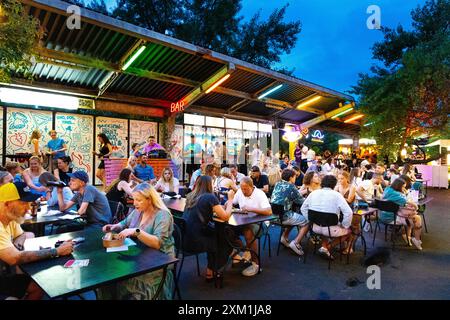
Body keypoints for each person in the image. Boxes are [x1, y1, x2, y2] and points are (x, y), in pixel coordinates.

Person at [99, 183, 175, 299]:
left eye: (138, 200)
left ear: (149, 199)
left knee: (119, 275)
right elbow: (124, 223)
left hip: (159, 261)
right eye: (133, 199)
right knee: (108, 276)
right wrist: (114, 227)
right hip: (140, 254)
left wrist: (136, 231)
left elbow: (157, 243)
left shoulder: (162, 215)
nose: (134, 203)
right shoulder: (138, 211)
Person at [0, 182, 73, 299]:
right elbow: (15, 258)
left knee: (37, 286)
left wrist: (17, 244)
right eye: (23, 203)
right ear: (7, 204)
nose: (28, 208)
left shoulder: (10, 217)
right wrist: (57, 251)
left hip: (4, 274)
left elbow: (22, 235)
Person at [183, 175, 235, 281]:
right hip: (198, 240)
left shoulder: (190, 196)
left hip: (184, 239)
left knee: (217, 235)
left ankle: (210, 270)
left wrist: (220, 208)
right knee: (224, 238)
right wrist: (230, 200)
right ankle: (213, 269)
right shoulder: (210, 197)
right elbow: (225, 216)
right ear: (209, 185)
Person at [301, 175, 353, 259]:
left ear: (322, 183)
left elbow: (303, 208)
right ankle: (327, 247)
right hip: (329, 228)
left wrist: (311, 220)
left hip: (315, 227)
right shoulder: (337, 195)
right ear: (334, 185)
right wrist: (344, 225)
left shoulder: (314, 193)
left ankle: (324, 247)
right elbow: (349, 212)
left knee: (326, 226)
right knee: (350, 231)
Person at [232, 177, 272, 276]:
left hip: (261, 223)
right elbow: (232, 203)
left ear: (252, 186)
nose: (243, 191)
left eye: (246, 189)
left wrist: (251, 209)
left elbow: (269, 212)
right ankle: (246, 250)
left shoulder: (259, 194)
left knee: (248, 231)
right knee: (227, 229)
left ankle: (256, 264)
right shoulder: (240, 192)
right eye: (242, 189)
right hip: (243, 221)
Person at [270, 169, 309, 256]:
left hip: (273, 216)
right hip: (284, 216)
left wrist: (303, 191)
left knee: (295, 217)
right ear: (291, 178)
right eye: (295, 177)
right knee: (307, 222)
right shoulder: (291, 186)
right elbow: (300, 201)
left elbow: (291, 195)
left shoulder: (278, 184)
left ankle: (284, 238)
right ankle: (296, 242)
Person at [380, 178, 423, 250]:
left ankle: (407, 236)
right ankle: (416, 239)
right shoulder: (396, 194)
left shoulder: (388, 189)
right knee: (416, 218)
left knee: (410, 218)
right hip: (392, 218)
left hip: (384, 215)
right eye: (403, 187)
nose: (404, 188)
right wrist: (416, 208)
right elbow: (411, 203)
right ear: (398, 186)